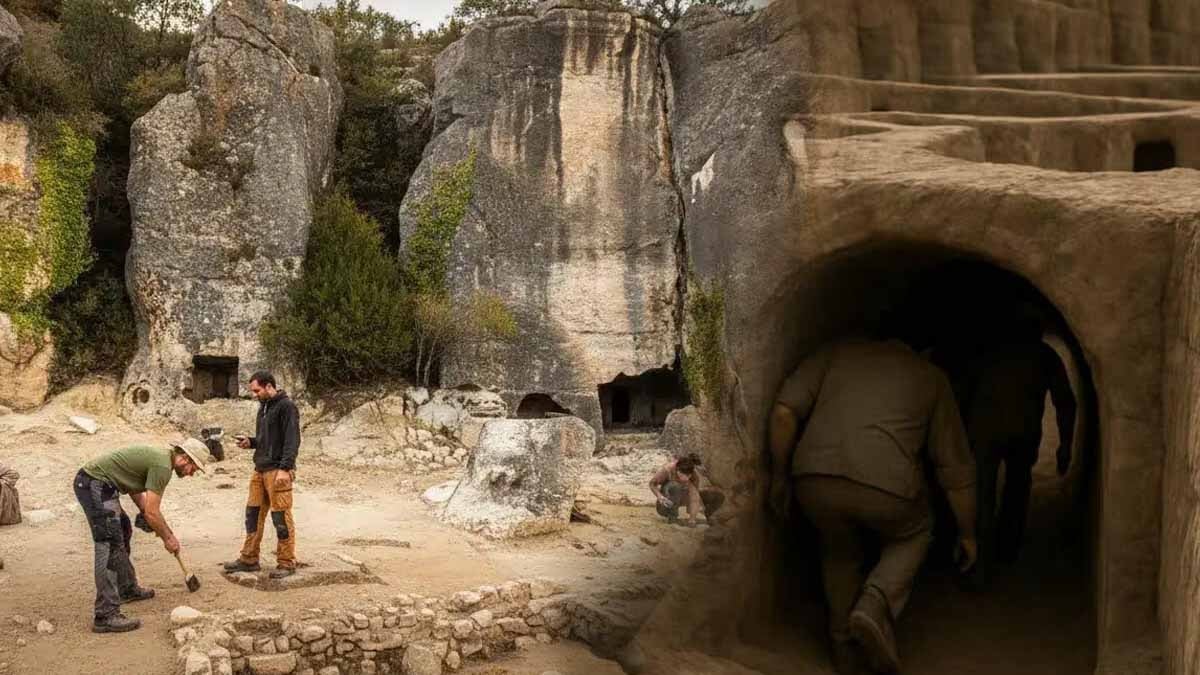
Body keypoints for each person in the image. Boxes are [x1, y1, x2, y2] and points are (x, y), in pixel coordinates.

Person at [769, 337, 977, 675]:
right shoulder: (931, 377)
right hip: (888, 489)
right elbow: (954, 469)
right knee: (916, 532)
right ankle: (875, 603)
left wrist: (779, 477)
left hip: (815, 481)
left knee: (839, 552)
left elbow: (783, 412)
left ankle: (844, 650)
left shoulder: (837, 351)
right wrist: (967, 533)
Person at [964, 312, 1076, 583]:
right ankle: (1006, 550)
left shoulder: (987, 351)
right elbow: (1065, 402)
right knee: (1017, 488)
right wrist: (1065, 445)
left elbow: (964, 387)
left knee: (983, 493)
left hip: (985, 431)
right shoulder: (1045, 355)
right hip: (1023, 433)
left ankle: (981, 560)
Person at [73, 439, 206, 633]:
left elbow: (134, 488)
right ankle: (105, 615)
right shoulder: (162, 467)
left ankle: (126, 588)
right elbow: (152, 512)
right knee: (109, 542)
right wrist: (168, 538)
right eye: (193, 468)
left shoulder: (161, 459)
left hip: (101, 485)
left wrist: (150, 517)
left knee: (123, 528)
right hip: (94, 483)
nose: (192, 473)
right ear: (185, 458)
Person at [224, 370, 301, 579]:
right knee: (253, 515)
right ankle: (249, 559)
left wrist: (285, 468)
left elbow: (292, 440)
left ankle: (286, 562)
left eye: (257, 390)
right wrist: (251, 442)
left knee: (281, 517)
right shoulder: (264, 407)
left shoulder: (287, 406)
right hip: (260, 469)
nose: (254, 394)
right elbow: (266, 440)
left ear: (269, 386)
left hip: (277, 470)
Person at [649, 453, 725, 527]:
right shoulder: (668, 469)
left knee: (717, 495)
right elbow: (652, 483)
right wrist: (660, 496)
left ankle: (708, 515)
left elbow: (694, 496)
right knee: (675, 486)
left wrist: (692, 519)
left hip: (682, 497)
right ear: (678, 470)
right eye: (682, 475)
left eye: (688, 476)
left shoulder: (694, 476)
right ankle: (672, 517)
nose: (685, 478)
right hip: (665, 505)